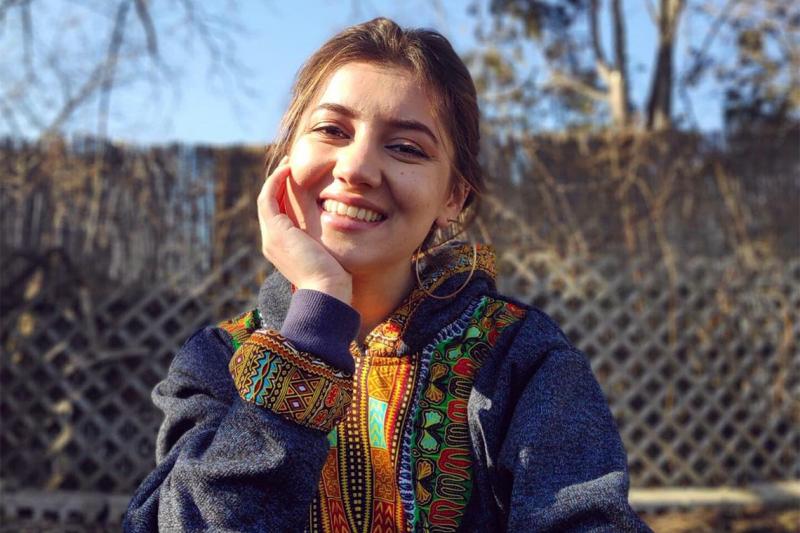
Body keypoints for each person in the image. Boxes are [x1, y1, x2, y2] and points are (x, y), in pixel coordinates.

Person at [123, 17, 652, 533]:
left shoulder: (521, 357)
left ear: (453, 197)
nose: (356, 168)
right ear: (284, 158)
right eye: (331, 130)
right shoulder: (218, 359)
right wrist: (315, 318)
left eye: (405, 147)